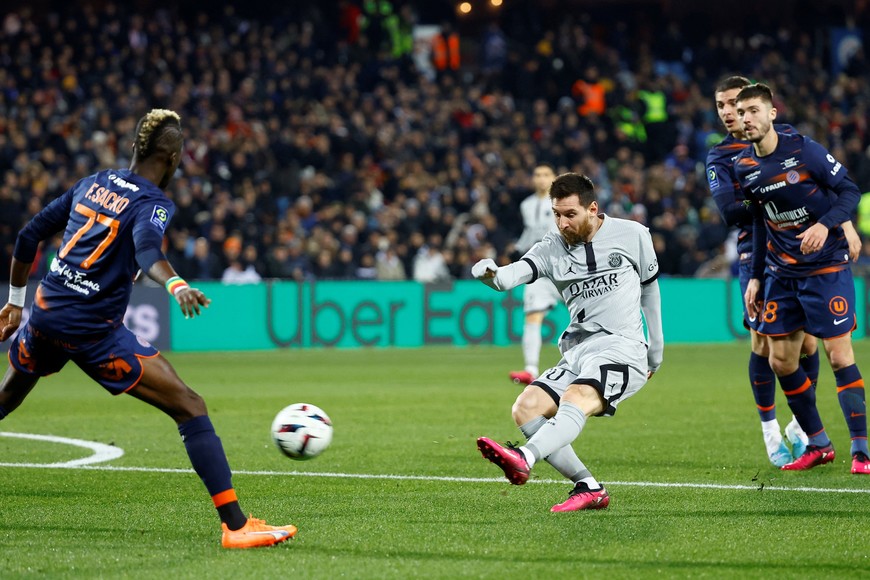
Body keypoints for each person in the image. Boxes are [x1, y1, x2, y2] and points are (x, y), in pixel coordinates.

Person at [0, 109, 299, 547]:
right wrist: (176, 285)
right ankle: (236, 527)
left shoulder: (95, 181)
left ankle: (237, 526)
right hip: (91, 330)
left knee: (7, 397)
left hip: (44, 314)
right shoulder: (153, 202)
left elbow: (29, 236)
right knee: (190, 406)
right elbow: (145, 249)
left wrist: (13, 303)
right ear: (174, 156)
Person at [472, 173, 664, 511]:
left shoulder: (633, 235)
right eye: (556, 214)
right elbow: (510, 276)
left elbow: (650, 290)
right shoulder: (550, 247)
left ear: (592, 209)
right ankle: (589, 486)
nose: (562, 223)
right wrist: (491, 275)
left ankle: (523, 458)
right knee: (526, 408)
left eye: (570, 214)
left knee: (577, 396)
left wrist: (655, 351)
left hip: (623, 346)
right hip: (578, 352)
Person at [706, 75, 860, 467]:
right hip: (759, 255)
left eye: (739, 106)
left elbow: (835, 187)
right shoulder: (728, 160)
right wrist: (779, 204)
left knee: (814, 347)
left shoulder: (795, 143)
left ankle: (812, 432)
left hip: (814, 255)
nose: (732, 114)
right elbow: (734, 214)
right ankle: (771, 430)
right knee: (766, 346)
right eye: (725, 107)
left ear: (768, 112)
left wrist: (835, 221)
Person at [508, 164, 563, 385]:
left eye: (546, 175)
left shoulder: (564, 201)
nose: (541, 179)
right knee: (533, 315)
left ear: (554, 178)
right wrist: (517, 248)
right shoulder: (526, 205)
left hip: (564, 264)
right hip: (539, 268)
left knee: (586, 314)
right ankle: (530, 369)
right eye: (538, 175)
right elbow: (530, 233)